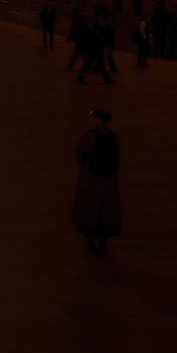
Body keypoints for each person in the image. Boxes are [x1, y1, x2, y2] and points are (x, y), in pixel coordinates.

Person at [71, 109, 121, 254]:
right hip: (109, 180)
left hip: (90, 178)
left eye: (92, 118)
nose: (90, 120)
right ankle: (103, 245)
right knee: (106, 211)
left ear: (98, 120)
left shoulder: (89, 136)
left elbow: (79, 154)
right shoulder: (113, 137)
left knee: (90, 210)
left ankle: (90, 243)